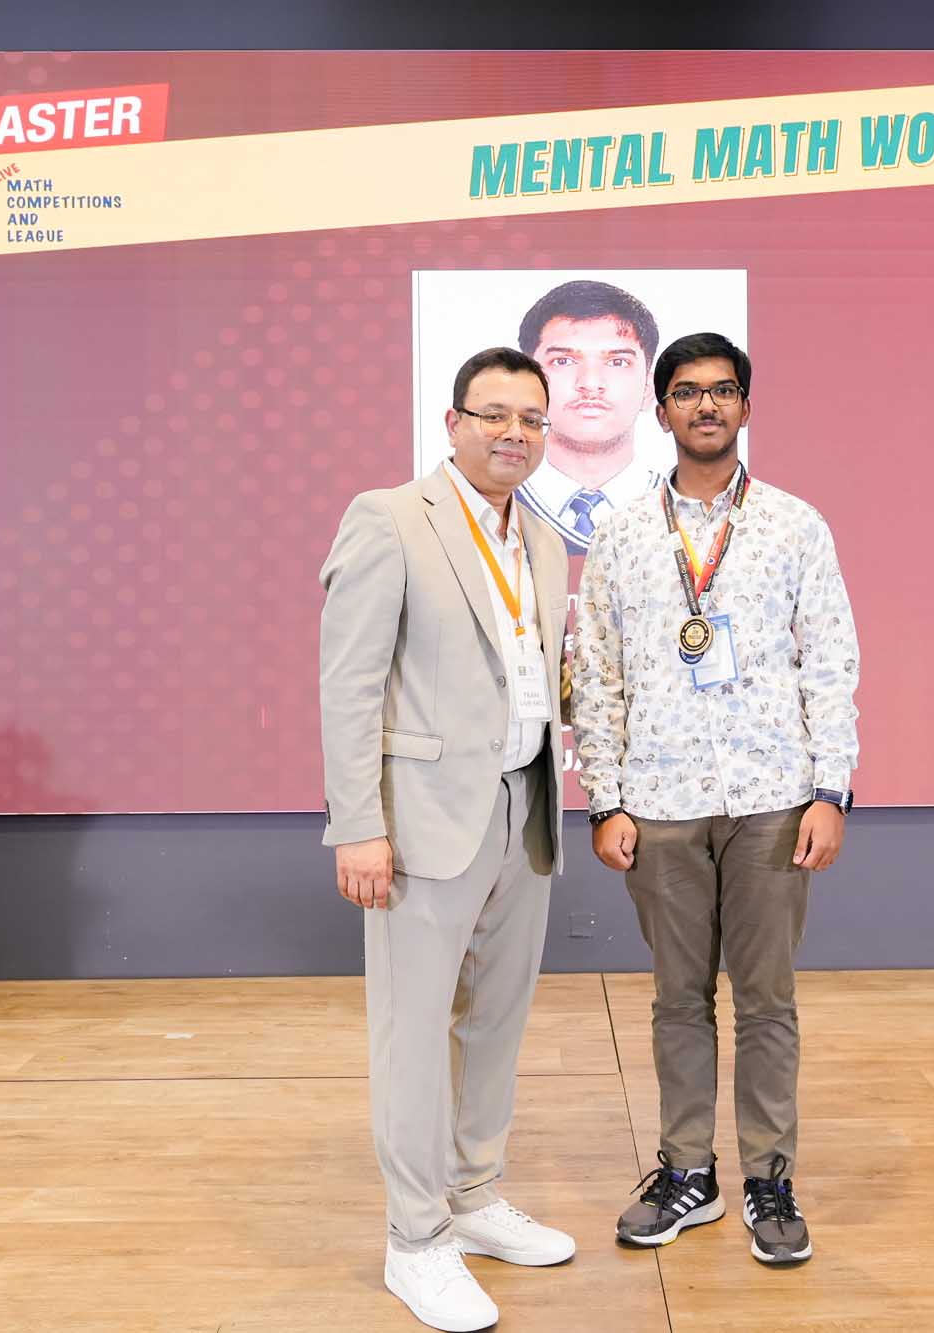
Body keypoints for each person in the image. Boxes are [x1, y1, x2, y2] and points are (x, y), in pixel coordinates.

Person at [570, 332, 860, 1266]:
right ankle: (688, 1171)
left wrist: (830, 790)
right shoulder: (620, 533)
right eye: (688, 391)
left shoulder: (795, 525)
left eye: (723, 390)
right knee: (677, 999)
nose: (706, 405)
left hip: (773, 797)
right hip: (658, 800)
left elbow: (831, 662)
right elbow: (597, 670)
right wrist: (605, 798)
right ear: (661, 412)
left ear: (745, 406)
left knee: (767, 1001)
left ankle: (770, 1176)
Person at [319, 347, 576, 1331]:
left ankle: (473, 1197)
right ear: (452, 421)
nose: (514, 433)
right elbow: (348, 686)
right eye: (494, 414)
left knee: (495, 1022)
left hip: (523, 809)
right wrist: (358, 826)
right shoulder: (389, 518)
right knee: (413, 1031)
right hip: (421, 819)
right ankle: (415, 1238)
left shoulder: (541, 537)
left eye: (531, 419)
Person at [513, 279, 664, 554]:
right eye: (563, 361)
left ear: (648, 388)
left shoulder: (695, 517)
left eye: (618, 362)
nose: (590, 383)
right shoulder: (483, 512)